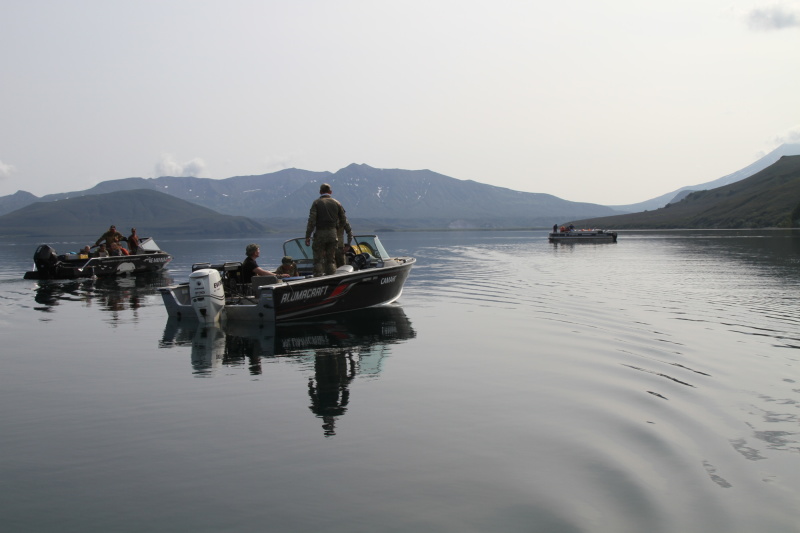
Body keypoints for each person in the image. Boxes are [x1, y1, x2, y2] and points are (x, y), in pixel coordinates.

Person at [305, 183, 347, 276]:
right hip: (333, 234)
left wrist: (308, 236)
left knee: (318, 260)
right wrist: (336, 229)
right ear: (330, 192)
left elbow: (311, 221)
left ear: (320, 192)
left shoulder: (316, 203)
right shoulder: (337, 203)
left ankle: (318, 278)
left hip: (320, 233)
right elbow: (343, 220)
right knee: (331, 259)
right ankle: (331, 277)